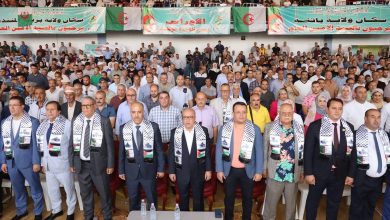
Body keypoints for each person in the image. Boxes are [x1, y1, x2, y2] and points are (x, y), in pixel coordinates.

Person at [304, 98, 355, 220]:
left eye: (340, 108)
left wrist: (351, 174)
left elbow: (353, 154)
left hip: (339, 174)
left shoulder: (349, 127)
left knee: (334, 204)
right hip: (318, 173)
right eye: (334, 108)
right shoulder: (315, 126)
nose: (337, 111)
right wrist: (308, 173)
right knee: (312, 203)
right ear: (327, 109)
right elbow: (308, 152)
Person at [216, 102, 263, 220]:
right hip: (229, 169)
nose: (241, 115)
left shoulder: (254, 129)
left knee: (247, 199)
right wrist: (219, 170)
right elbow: (218, 150)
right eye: (238, 112)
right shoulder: (225, 128)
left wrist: (259, 171)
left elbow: (259, 151)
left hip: (248, 170)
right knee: (229, 198)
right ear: (233, 113)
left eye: (244, 112)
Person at [69, 96, 114, 220]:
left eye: (88, 105)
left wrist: (110, 164)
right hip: (81, 164)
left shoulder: (103, 121)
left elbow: (110, 145)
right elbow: (71, 143)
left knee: (104, 193)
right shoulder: (76, 120)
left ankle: (107, 216)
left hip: (99, 165)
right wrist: (71, 162)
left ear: (94, 106)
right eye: (83, 106)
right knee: (85, 194)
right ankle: (88, 216)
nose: (85, 108)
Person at [0, 96, 44, 219]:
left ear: (22, 106)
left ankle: (38, 212)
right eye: (10, 105)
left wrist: (36, 162)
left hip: (28, 162)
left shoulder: (32, 122)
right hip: (11, 162)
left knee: (35, 188)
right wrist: (3, 161)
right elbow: (3, 144)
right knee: (18, 189)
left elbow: (36, 144)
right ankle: (21, 211)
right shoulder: (5, 122)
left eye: (15, 105)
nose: (12, 108)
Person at [118, 102, 165, 211]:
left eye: (139, 112)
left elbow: (159, 150)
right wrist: (121, 170)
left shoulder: (153, 127)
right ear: (130, 113)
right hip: (131, 171)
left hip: (149, 170)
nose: (136, 115)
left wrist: (161, 168)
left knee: (152, 199)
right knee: (133, 200)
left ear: (143, 112)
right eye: (134, 112)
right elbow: (121, 151)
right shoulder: (124, 128)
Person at [263, 103, 305, 220]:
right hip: (275, 172)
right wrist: (264, 168)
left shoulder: (299, 129)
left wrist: (302, 170)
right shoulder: (269, 127)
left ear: (293, 114)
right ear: (279, 114)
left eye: (289, 113)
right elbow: (265, 149)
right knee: (271, 204)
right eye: (284, 113)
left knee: (291, 206)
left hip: (292, 173)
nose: (287, 115)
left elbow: (302, 151)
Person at [36, 101, 76, 220]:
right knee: (52, 189)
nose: (49, 112)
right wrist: (43, 163)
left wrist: (71, 163)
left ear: (59, 111)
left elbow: (72, 145)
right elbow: (42, 147)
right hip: (48, 165)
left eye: (52, 109)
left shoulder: (67, 124)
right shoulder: (43, 124)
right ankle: (57, 209)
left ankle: (71, 211)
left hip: (63, 163)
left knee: (69, 189)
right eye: (47, 109)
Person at [168, 108, 212, 211]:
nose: (187, 120)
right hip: (181, 171)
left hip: (198, 171)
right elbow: (171, 154)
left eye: (190, 117)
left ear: (195, 118)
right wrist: (171, 171)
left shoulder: (203, 131)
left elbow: (207, 153)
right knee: (183, 198)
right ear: (182, 119)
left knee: (198, 198)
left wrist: (208, 169)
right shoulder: (175, 132)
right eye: (185, 117)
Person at [349, 109, 389, 220]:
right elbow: (351, 158)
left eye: (378, 117)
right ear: (365, 119)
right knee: (356, 209)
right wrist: (351, 176)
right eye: (372, 116)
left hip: (378, 180)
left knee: (370, 208)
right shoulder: (356, 134)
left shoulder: (384, 135)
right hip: (362, 178)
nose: (376, 120)